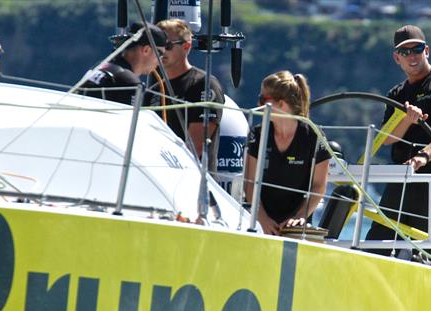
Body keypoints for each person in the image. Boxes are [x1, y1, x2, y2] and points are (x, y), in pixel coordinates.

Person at [365, 25, 431, 246]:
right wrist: (405, 119)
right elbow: (387, 138)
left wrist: (424, 155)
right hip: (401, 178)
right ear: (396, 58)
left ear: (427, 51)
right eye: (404, 52)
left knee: (425, 250)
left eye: (417, 49)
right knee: (376, 245)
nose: (411, 56)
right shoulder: (396, 94)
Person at [243, 71, 330, 235]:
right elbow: (250, 184)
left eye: (263, 100)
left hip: (297, 224)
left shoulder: (314, 136)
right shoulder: (258, 135)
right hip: (259, 220)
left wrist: (299, 217)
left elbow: (319, 186)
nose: (258, 104)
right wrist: (263, 220)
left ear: (281, 104)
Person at [147, 18, 225, 171]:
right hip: (158, 178)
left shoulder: (203, 84)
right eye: (157, 46)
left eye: (168, 46)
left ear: (186, 46)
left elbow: (194, 146)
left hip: (192, 180)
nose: (161, 51)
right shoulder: (153, 91)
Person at [79, 22, 167, 105]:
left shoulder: (100, 67)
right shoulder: (128, 82)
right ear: (146, 50)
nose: (160, 62)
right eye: (160, 54)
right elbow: (128, 120)